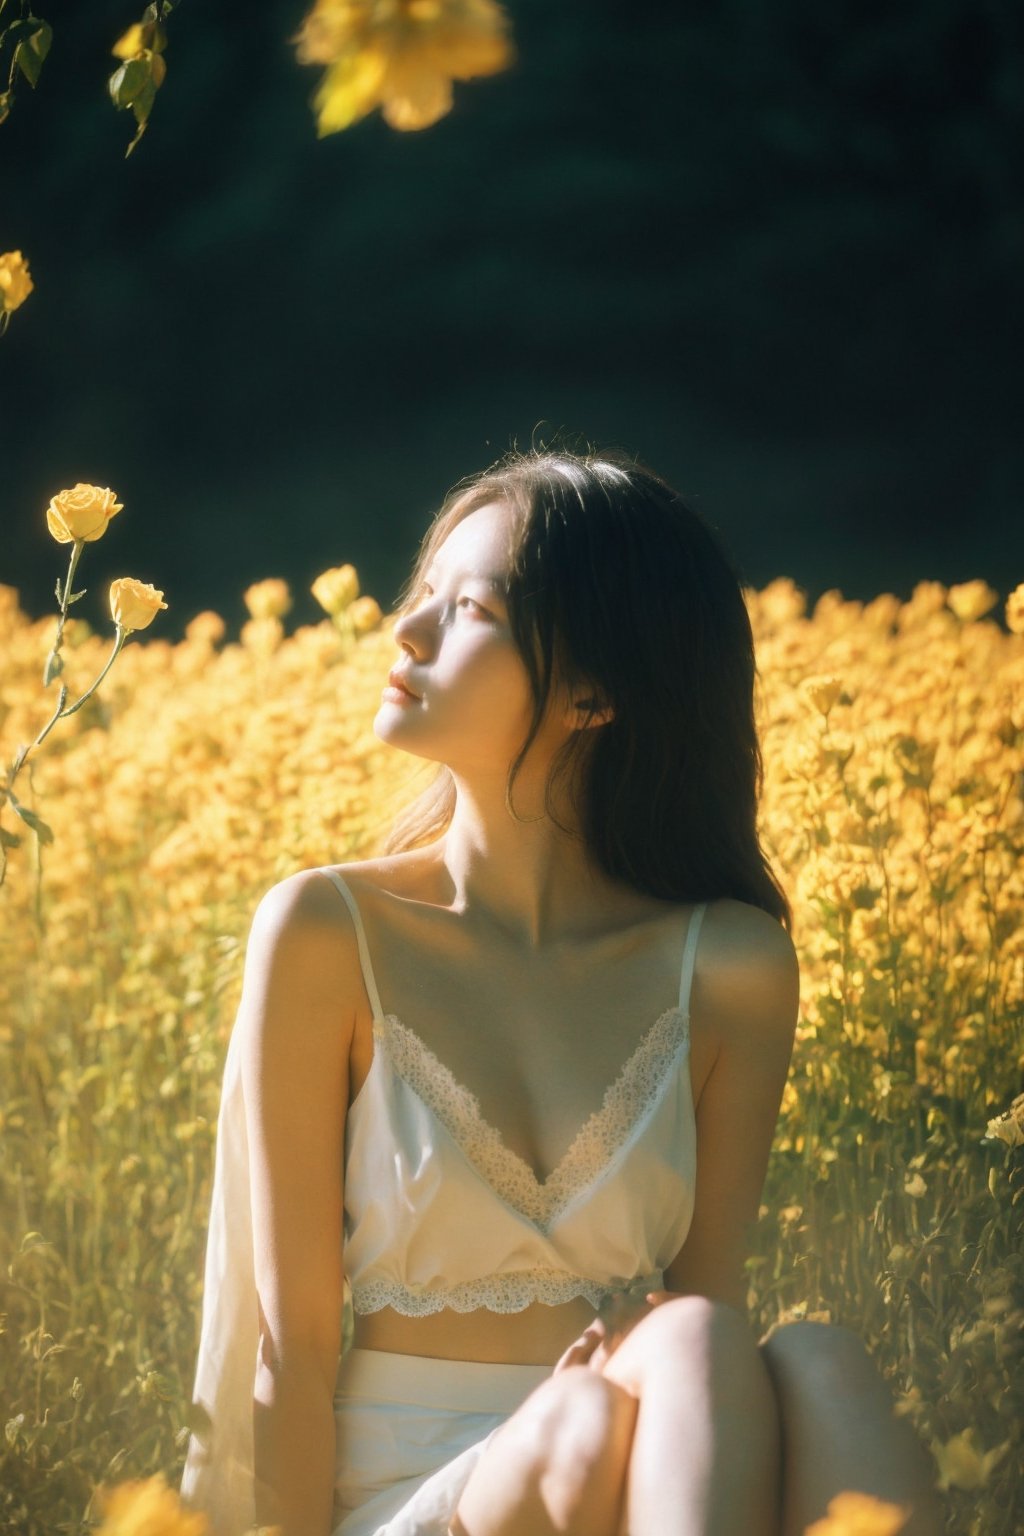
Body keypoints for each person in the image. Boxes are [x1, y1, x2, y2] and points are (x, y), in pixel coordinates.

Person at [180, 448, 942, 1536]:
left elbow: (709, 1298)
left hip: (636, 1451)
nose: (407, 631)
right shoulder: (325, 929)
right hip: (407, 1494)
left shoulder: (728, 965)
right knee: (609, 1399)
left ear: (594, 691)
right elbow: (290, 1349)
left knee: (810, 1362)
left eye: (471, 608)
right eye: (422, 597)